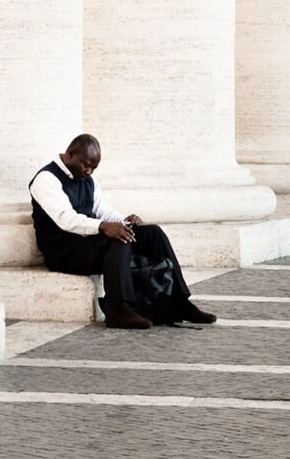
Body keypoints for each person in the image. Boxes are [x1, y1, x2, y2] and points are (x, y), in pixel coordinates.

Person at [28, 133, 217, 330]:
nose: (89, 171)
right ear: (70, 154)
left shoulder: (87, 179)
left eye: (94, 168)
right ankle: (117, 309)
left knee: (152, 234)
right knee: (116, 239)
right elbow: (65, 219)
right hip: (62, 250)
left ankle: (178, 302)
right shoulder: (46, 179)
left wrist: (124, 221)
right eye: (86, 165)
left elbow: (104, 210)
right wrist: (103, 226)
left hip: (87, 242)